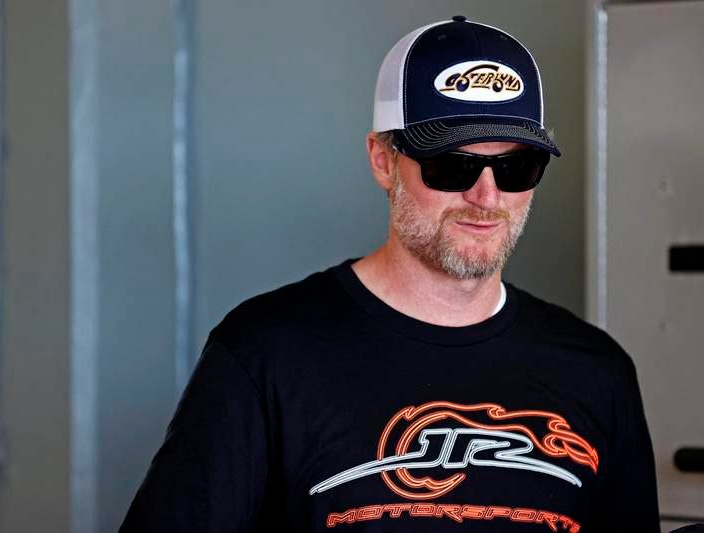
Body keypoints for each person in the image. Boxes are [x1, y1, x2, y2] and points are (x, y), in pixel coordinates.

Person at [120, 16, 660, 532]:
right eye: (452, 165)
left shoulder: (597, 372)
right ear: (382, 160)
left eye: (516, 167)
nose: (486, 196)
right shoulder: (265, 355)